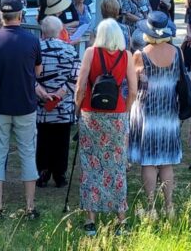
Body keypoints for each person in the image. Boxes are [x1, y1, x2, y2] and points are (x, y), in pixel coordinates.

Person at [75, 19, 137, 236]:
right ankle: (121, 219)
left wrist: (77, 108)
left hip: (91, 113)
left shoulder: (90, 53)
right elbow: (133, 90)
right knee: (117, 165)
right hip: (116, 113)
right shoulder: (126, 55)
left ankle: (90, 220)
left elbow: (81, 86)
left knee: (90, 163)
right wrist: (125, 111)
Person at [0, 0, 43, 220]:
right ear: (20, 16)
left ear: (2, 16)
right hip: (25, 104)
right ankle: (30, 207)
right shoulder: (32, 40)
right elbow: (38, 71)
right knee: (27, 153)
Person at [128, 12, 183, 218]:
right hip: (168, 110)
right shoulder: (177, 53)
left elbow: (132, 88)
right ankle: (169, 207)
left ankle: (151, 208)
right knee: (166, 161)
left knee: (149, 161)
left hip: (147, 112)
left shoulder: (140, 55)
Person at [35, 16, 79, 189]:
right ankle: (60, 175)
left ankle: (43, 172)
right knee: (62, 140)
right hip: (63, 105)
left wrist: (43, 93)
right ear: (61, 30)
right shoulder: (70, 50)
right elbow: (76, 76)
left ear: (43, 31)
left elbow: (29, 74)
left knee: (43, 138)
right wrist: (60, 94)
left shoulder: (36, 48)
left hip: (41, 103)